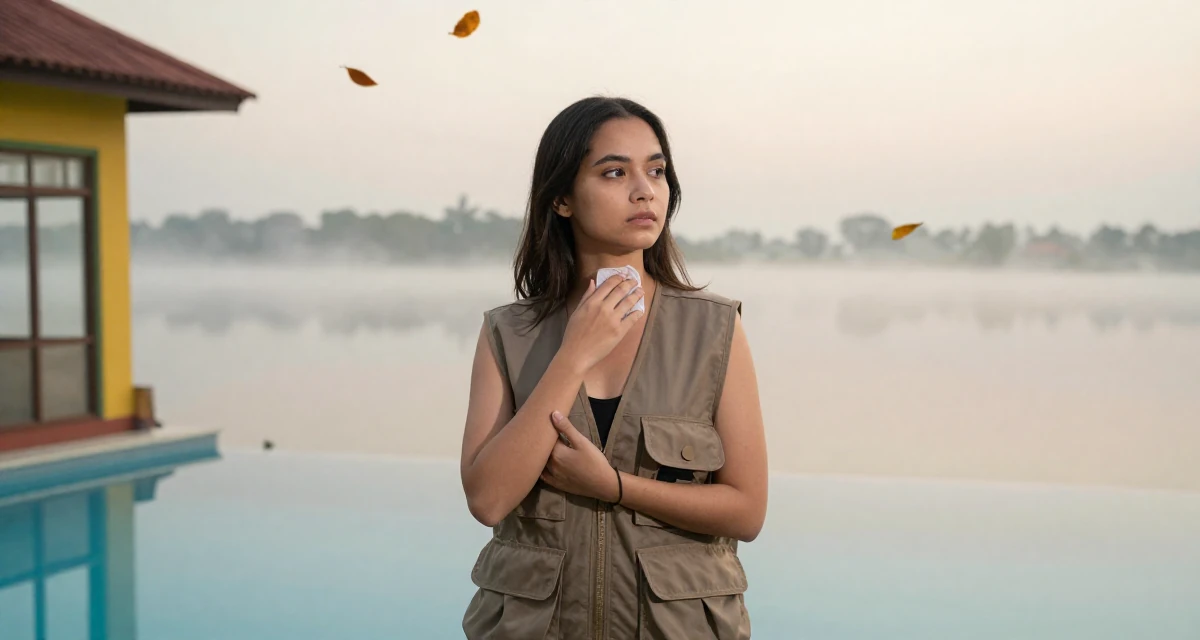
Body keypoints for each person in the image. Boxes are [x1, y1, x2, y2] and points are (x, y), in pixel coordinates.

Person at [459, 95, 768, 640]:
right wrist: (574, 353)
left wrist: (616, 486)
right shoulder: (507, 333)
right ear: (561, 199)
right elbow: (487, 499)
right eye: (613, 172)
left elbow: (746, 511)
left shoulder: (715, 330)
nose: (644, 189)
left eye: (656, 170)